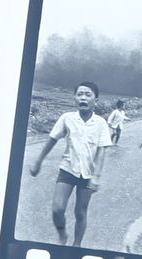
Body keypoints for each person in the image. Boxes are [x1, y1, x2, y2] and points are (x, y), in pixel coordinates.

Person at [29, 82, 113, 247]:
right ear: (75, 98)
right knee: (57, 209)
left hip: (88, 174)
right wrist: (38, 161)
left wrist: (96, 177)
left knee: (80, 212)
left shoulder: (101, 123)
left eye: (88, 94)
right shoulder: (67, 118)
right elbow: (52, 139)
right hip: (67, 169)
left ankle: (77, 245)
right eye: (79, 94)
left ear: (96, 99)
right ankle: (62, 234)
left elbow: (102, 151)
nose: (83, 98)